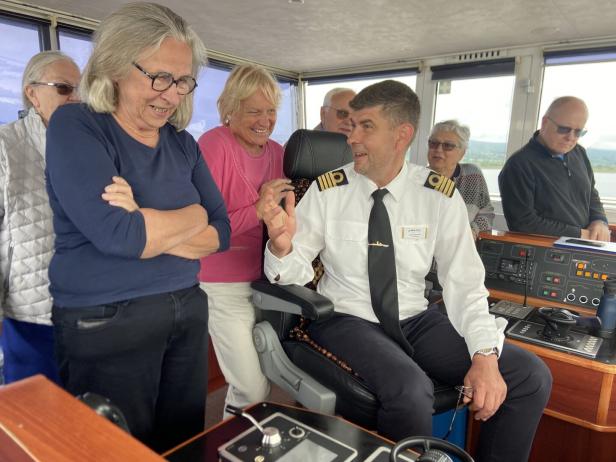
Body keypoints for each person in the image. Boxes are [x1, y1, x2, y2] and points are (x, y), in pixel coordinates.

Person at [262, 80, 552, 462]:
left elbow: (464, 283)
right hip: (347, 319)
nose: (352, 138)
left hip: (415, 319)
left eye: (366, 126)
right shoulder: (327, 189)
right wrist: (281, 245)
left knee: (530, 375)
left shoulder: (439, 196)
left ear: (402, 134)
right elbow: (292, 273)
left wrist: (484, 355)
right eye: (350, 125)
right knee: (410, 388)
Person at [45, 2, 230, 452]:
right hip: (107, 319)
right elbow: (120, 236)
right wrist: (191, 216)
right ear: (113, 66)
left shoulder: (182, 143)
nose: (172, 94)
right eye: (160, 77)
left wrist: (149, 217)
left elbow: (221, 230)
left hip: (186, 311)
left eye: (184, 80)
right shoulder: (78, 126)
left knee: (185, 443)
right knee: (116, 451)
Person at [197, 64, 287, 414]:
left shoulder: (278, 153)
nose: (264, 120)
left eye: (270, 111)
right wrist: (258, 211)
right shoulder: (214, 145)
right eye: (253, 111)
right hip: (221, 283)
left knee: (267, 377)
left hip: (267, 282)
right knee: (250, 387)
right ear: (230, 110)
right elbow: (203, 228)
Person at [0, 51, 80, 385]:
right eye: (63, 88)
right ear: (32, 93)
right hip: (30, 315)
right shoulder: (6, 146)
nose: (75, 98)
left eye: (79, 90)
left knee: (89, 421)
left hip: (89, 312)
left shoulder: (87, 149)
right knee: (35, 424)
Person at [499, 96, 609, 241]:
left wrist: (599, 220)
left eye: (578, 132)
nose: (571, 138)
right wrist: (579, 234)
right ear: (544, 123)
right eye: (564, 129)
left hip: (583, 245)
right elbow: (523, 223)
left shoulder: (579, 152)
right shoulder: (518, 165)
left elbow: (590, 194)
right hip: (547, 251)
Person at [427, 119, 494, 239]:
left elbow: (487, 213)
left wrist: (472, 232)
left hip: (463, 250)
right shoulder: (419, 179)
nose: (438, 150)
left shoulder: (473, 175)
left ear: (462, 152)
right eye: (433, 143)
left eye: (448, 146)